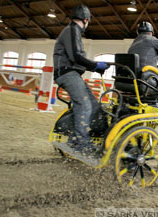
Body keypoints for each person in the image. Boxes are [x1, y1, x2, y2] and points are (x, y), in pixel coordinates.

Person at [53, 5, 109, 154]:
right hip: (66, 73)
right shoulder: (72, 30)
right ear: (85, 20)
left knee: (94, 105)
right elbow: (76, 57)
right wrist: (95, 65)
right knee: (84, 105)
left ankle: (76, 138)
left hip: (72, 73)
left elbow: (77, 59)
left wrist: (95, 67)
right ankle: (80, 143)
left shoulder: (72, 31)